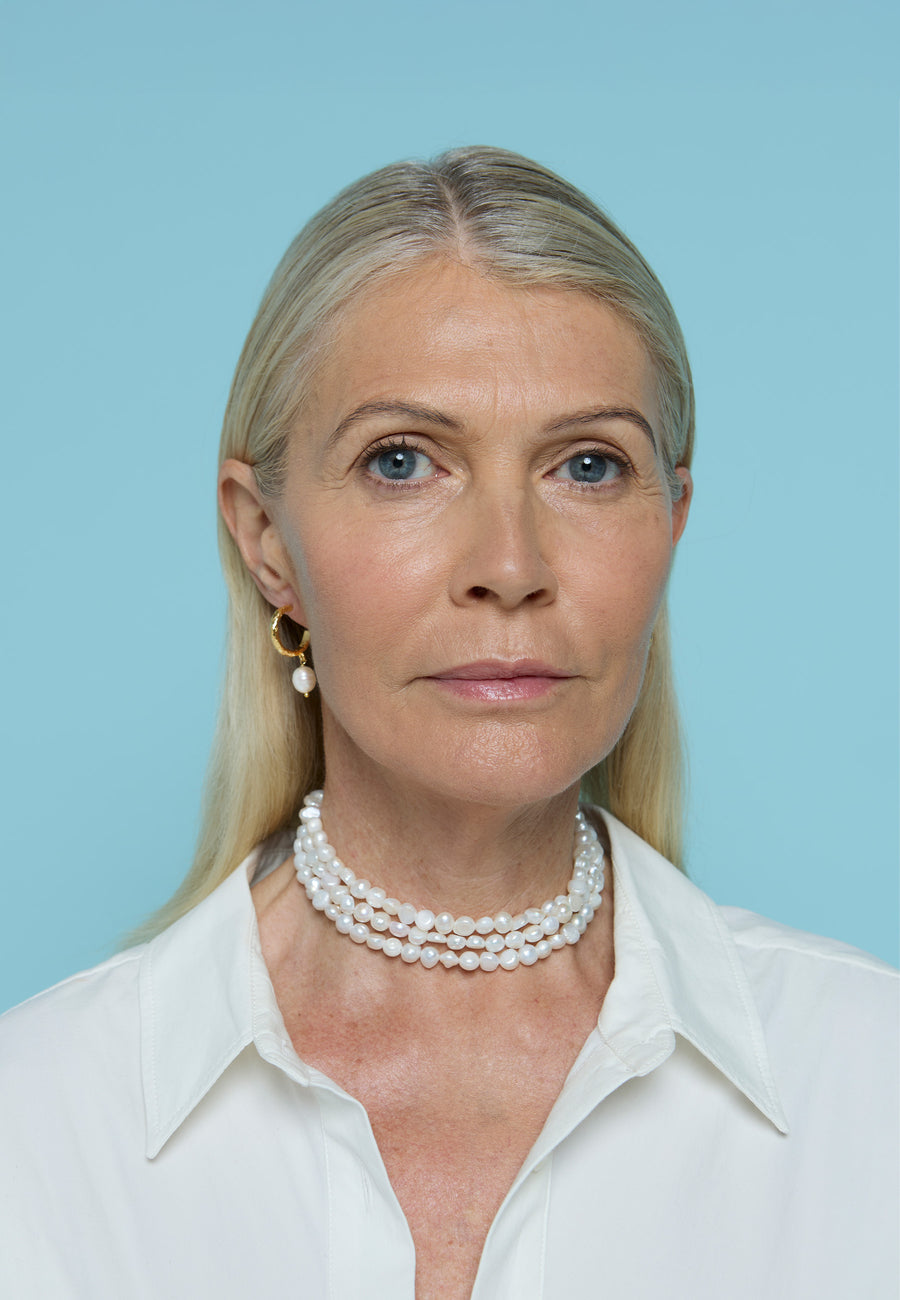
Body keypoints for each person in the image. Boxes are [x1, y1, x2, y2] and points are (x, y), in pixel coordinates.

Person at [0, 147, 896, 1300]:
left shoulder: (872, 1089)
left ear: (672, 520)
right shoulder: (36, 1129)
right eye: (403, 460)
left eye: (586, 464)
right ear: (267, 540)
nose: (510, 566)